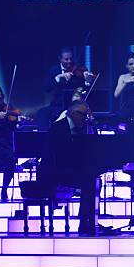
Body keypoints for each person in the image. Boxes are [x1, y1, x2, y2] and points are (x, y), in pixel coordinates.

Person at [38, 100, 98, 235]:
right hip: (55, 170)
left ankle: (85, 221)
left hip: (73, 169)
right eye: (82, 114)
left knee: (90, 181)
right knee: (87, 180)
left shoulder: (87, 128)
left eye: (86, 115)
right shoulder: (57, 128)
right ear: (72, 113)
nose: (84, 118)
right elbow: (55, 155)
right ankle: (84, 219)